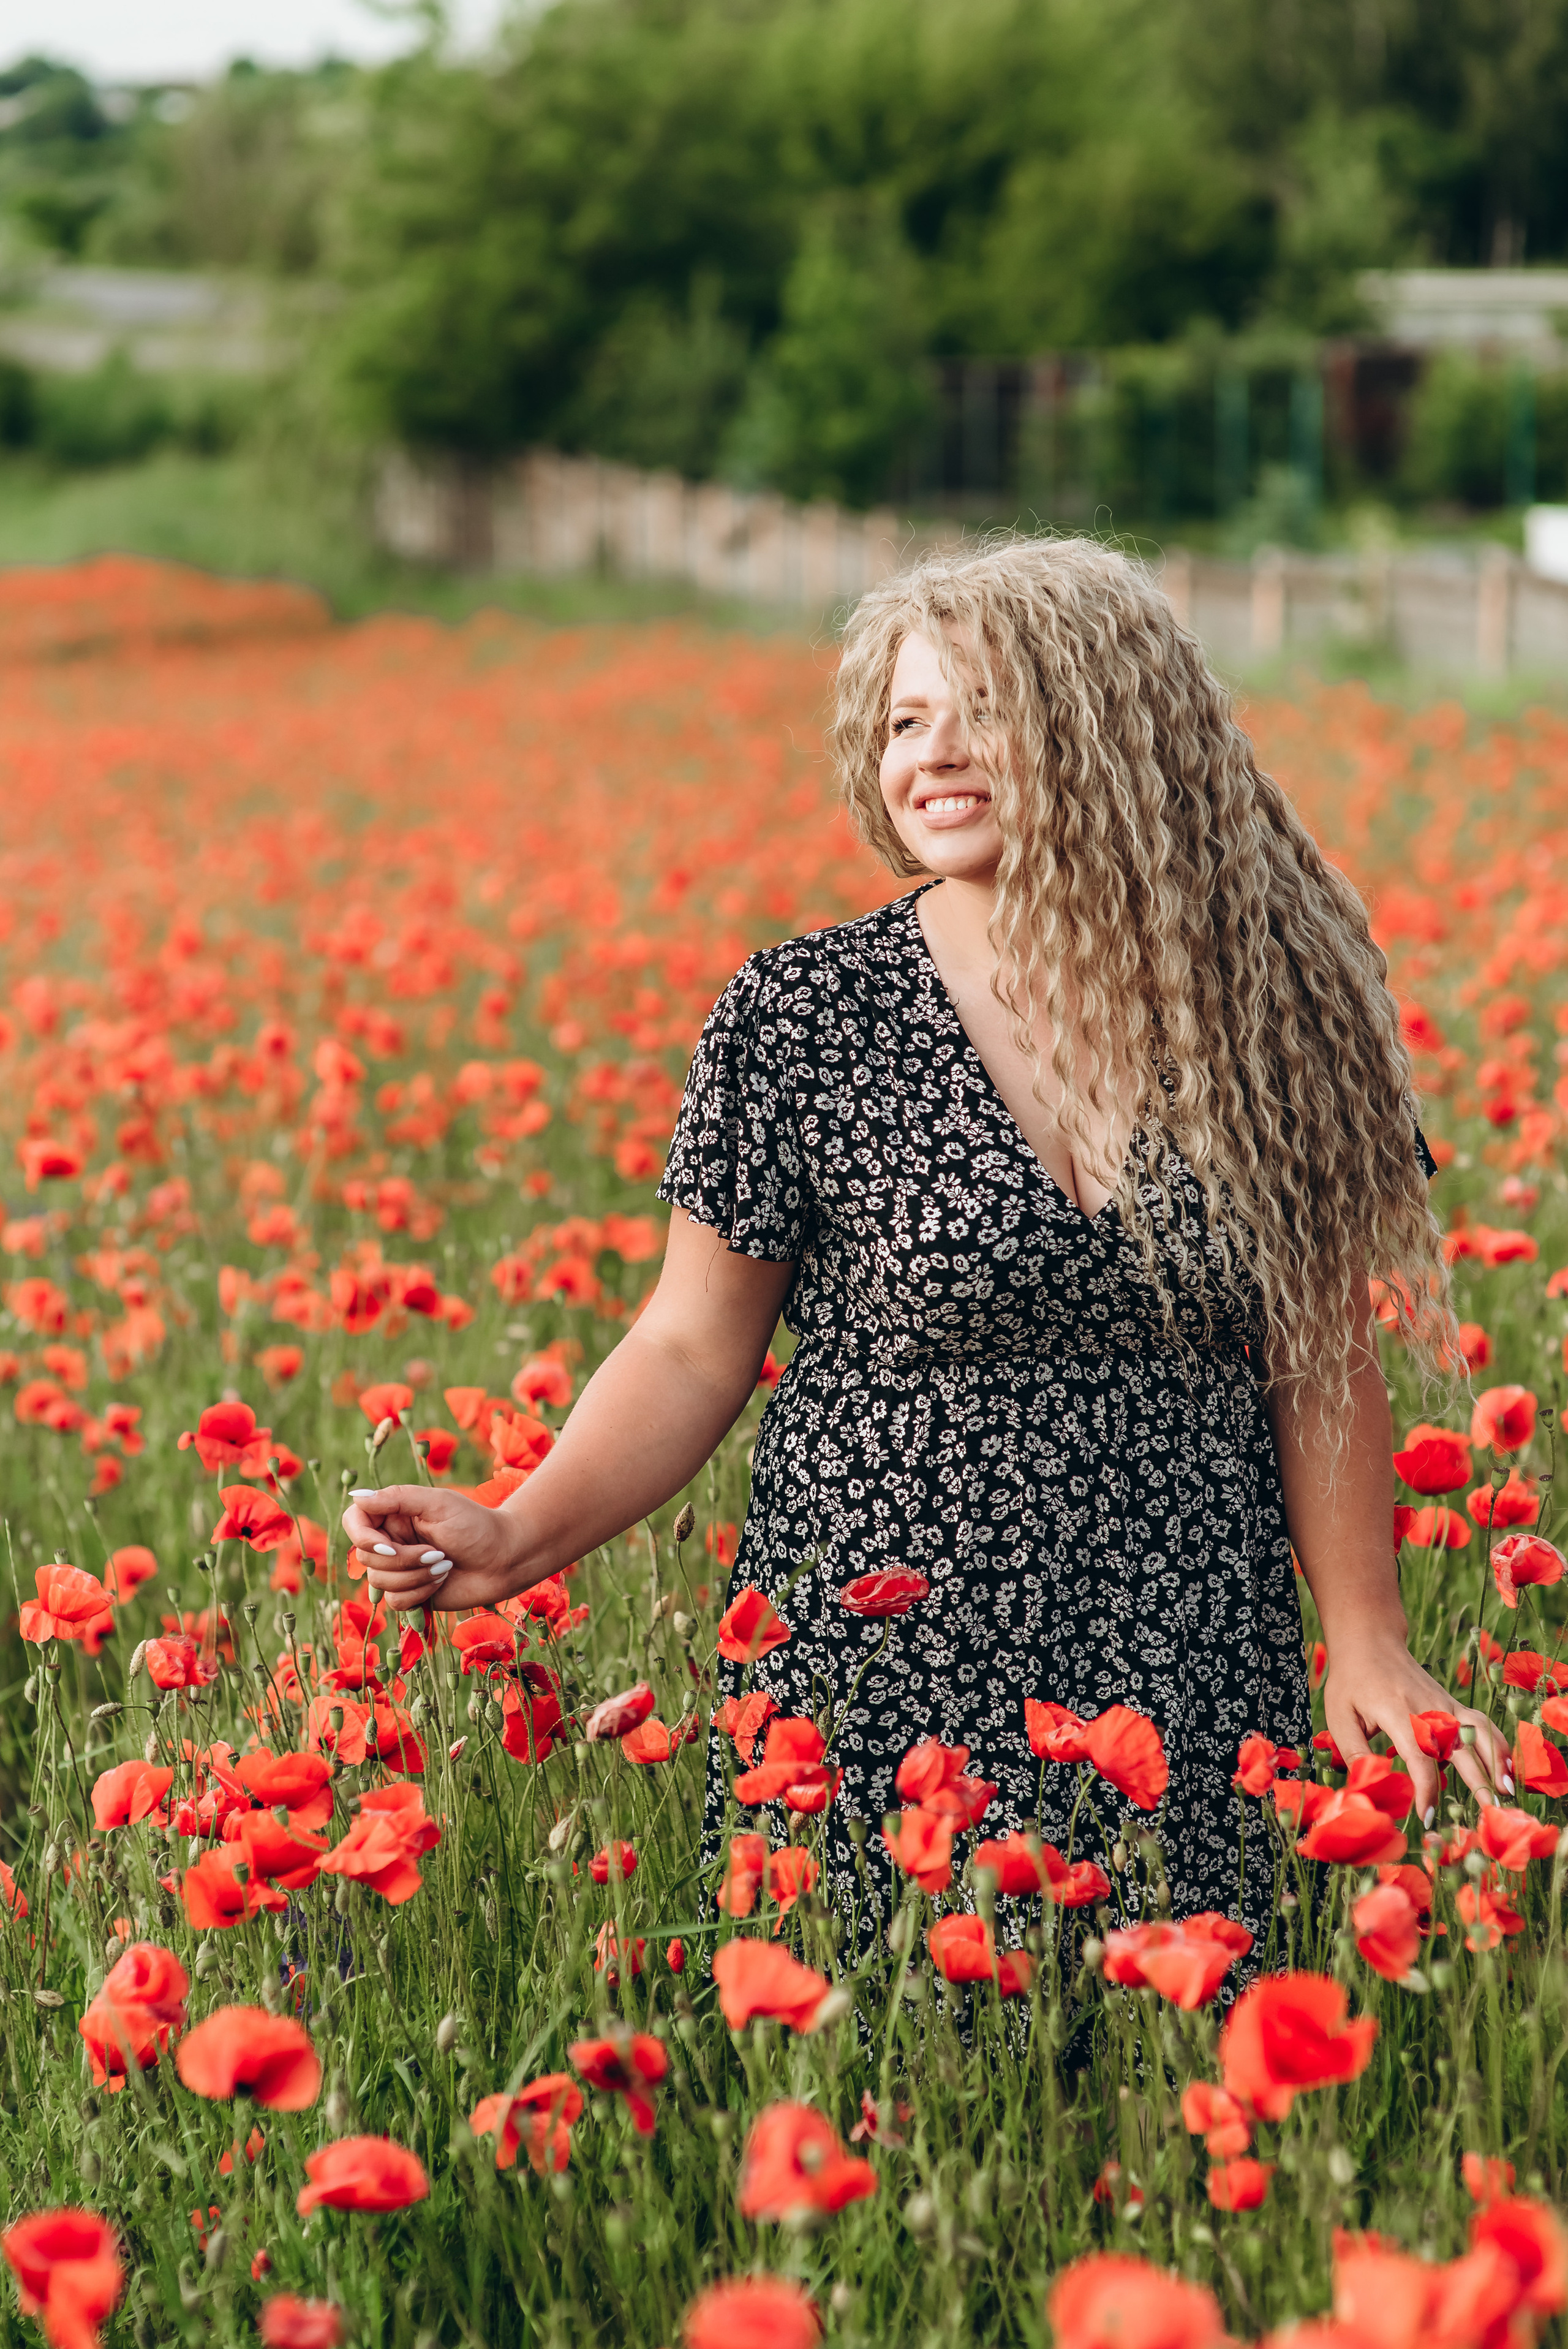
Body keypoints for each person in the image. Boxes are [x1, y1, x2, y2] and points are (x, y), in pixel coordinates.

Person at [344, 535, 1511, 1938]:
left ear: (1115, 735)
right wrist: (518, 1529)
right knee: (898, 2044)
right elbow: (688, 1346)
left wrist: (1366, 1639)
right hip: (888, 1662)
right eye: (905, 722)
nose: (932, 756)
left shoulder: (1267, 1015)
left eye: (984, 712)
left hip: (1190, 1652)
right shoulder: (803, 1016)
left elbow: (1317, 1353)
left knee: (1173, 2049)